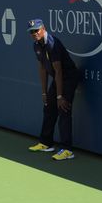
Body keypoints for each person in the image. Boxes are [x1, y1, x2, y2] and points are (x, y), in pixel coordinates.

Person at [27, 19, 80, 160]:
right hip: (58, 78)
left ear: (43, 28)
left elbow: (59, 71)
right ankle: (46, 143)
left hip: (68, 77)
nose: (34, 33)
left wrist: (59, 96)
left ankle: (67, 149)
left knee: (63, 108)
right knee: (49, 107)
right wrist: (44, 92)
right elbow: (43, 68)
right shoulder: (36, 45)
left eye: (36, 30)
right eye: (31, 32)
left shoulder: (52, 44)